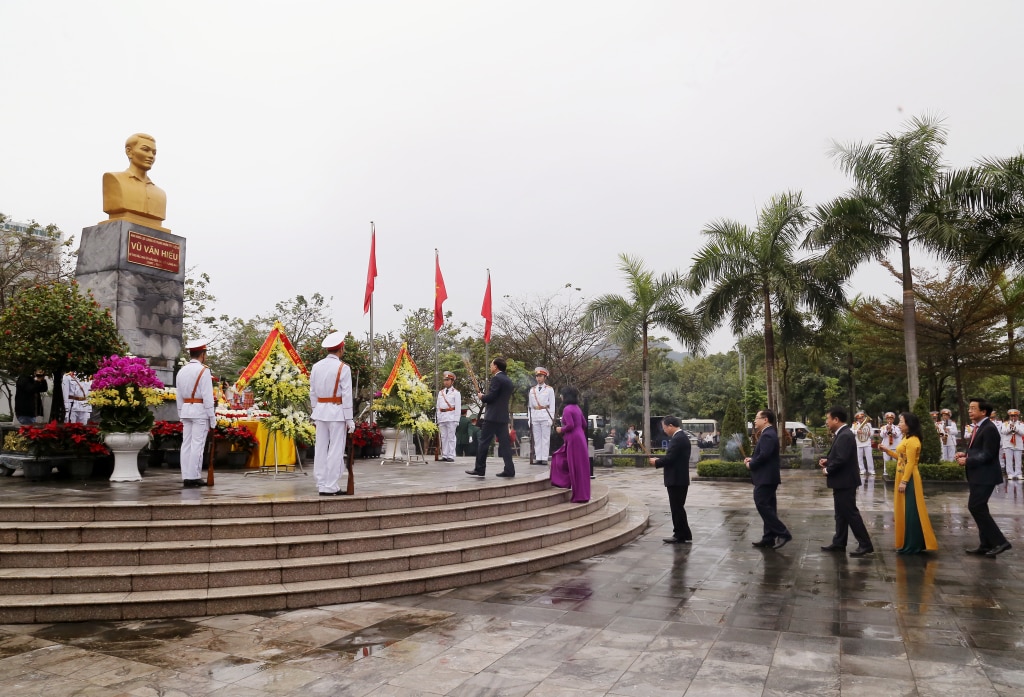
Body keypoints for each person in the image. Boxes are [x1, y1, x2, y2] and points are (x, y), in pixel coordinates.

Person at [956, 397, 1011, 556]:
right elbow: (978, 450)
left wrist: (967, 460)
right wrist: (965, 454)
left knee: (976, 507)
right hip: (978, 475)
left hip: (985, 476)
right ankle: (986, 545)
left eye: (973, 408)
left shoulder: (989, 429)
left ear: (983, 411)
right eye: (969, 408)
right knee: (980, 507)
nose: (969, 411)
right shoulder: (980, 427)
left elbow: (988, 454)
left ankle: (1001, 542)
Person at [879, 411, 937, 554]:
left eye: (901, 422)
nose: (899, 424)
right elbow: (901, 457)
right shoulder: (906, 437)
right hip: (902, 474)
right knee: (904, 509)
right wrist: (887, 451)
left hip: (909, 477)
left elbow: (911, 463)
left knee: (911, 510)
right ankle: (907, 542)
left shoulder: (913, 440)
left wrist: (904, 481)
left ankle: (913, 544)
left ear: (909, 424)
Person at [819, 407, 874, 556]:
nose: (826, 422)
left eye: (828, 419)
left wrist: (828, 470)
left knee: (850, 513)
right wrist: (828, 460)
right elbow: (840, 456)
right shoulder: (843, 434)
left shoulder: (844, 435)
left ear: (836, 420)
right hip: (842, 481)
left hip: (845, 481)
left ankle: (865, 544)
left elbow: (841, 459)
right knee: (841, 514)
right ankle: (839, 542)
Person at [309, 331, 354, 495]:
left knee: (320, 448)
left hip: (320, 412)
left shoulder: (316, 366)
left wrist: (315, 410)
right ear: (341, 349)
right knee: (336, 449)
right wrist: (349, 419)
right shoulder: (343, 368)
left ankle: (321, 483)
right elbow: (347, 395)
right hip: (336, 412)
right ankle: (330, 485)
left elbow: (312, 392)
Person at [744, 409, 792, 550]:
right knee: (769, 506)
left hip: (766, 478)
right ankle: (768, 538)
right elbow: (766, 455)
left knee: (762, 504)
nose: (755, 420)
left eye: (757, 417)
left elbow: (764, 456)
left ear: (765, 420)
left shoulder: (768, 435)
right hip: (768, 477)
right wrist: (753, 458)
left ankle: (783, 533)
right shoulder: (768, 434)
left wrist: (751, 464)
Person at [175, 339, 217, 488]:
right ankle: (194, 476)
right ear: (202, 355)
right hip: (199, 411)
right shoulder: (203, 371)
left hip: (186, 409)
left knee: (186, 444)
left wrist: (180, 412)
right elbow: (207, 397)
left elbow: (178, 395)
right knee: (197, 445)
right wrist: (212, 417)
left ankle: (186, 475)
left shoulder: (182, 370)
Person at [102, 133, 168, 227]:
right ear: (129, 152)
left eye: (154, 153)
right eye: (145, 150)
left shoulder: (160, 194)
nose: (151, 156)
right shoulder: (114, 179)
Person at [466, 357, 516, 478]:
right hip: (502, 417)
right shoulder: (508, 380)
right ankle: (509, 469)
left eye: (491, 364)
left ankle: (480, 468)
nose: (490, 367)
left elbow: (492, 397)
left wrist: (482, 397)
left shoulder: (497, 379)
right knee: (505, 445)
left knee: (483, 443)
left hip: (492, 417)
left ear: (496, 366)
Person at [649, 415, 692, 544]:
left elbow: (670, 459)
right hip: (679, 479)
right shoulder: (681, 437)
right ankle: (684, 533)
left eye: (664, 428)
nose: (664, 430)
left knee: (676, 508)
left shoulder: (678, 439)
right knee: (678, 507)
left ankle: (679, 534)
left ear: (671, 426)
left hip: (676, 479)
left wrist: (656, 462)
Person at [550, 386, 591, 503]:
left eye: (562, 394)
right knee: (581, 466)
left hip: (573, 439)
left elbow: (570, 425)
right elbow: (584, 424)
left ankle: (577, 494)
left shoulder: (567, 409)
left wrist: (560, 429)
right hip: (580, 438)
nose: (561, 396)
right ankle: (584, 494)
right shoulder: (577, 408)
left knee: (574, 465)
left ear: (566, 396)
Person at [529, 367, 555, 465]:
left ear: (545, 377)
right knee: (537, 438)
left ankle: (544, 458)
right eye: (537, 376)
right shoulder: (532, 390)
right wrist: (530, 418)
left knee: (545, 438)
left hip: (545, 415)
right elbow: (530, 406)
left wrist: (551, 418)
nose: (538, 378)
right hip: (535, 415)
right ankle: (538, 457)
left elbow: (552, 405)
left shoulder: (549, 390)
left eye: (540, 376)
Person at [435, 371, 461, 462]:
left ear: (452, 381)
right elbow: (438, 407)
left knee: (451, 437)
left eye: (448, 380)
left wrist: (456, 420)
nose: (446, 382)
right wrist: (438, 419)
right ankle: (445, 455)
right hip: (442, 417)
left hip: (451, 417)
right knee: (443, 437)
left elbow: (458, 407)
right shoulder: (440, 393)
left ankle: (451, 455)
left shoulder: (456, 393)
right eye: (445, 380)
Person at [998, 409, 1024, 480]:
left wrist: (1015, 428)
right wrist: (1010, 427)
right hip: (1008, 444)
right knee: (1009, 460)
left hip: (1018, 444)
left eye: (1015, 416)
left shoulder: (1021, 424)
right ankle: (1010, 473)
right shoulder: (1005, 424)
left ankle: (1018, 473)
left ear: (1017, 416)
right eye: (1012, 416)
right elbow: (1003, 432)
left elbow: (1022, 433)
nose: (1013, 417)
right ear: (1009, 416)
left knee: (1018, 460)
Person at [852, 411, 874, 477]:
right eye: (859, 418)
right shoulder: (855, 424)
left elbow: (872, 432)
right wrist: (857, 431)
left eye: (862, 418)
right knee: (859, 457)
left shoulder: (868, 424)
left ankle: (871, 470)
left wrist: (871, 434)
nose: (861, 419)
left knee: (869, 457)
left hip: (867, 442)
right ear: (857, 419)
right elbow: (851, 431)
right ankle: (862, 470)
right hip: (859, 443)